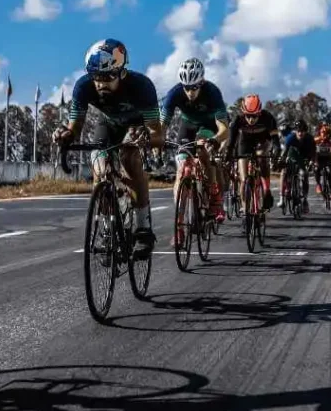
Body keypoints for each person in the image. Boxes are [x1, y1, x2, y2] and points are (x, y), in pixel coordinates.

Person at [53, 39, 163, 257]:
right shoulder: (83, 87)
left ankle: (143, 228)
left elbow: (157, 133)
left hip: (137, 125)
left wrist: (146, 138)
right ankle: (107, 228)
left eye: (107, 77)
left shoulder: (142, 87)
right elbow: (74, 127)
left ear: (122, 72)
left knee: (130, 158)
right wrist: (65, 134)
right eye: (96, 78)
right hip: (109, 123)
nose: (101, 84)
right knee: (99, 166)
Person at [160, 58, 229, 225]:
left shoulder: (212, 92)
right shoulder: (174, 93)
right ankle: (179, 224)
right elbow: (162, 126)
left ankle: (214, 194)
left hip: (209, 125)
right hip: (188, 125)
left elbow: (224, 129)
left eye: (194, 88)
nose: (190, 92)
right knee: (182, 168)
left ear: (202, 81)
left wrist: (214, 140)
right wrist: (159, 143)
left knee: (201, 148)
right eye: (187, 88)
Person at [225, 94, 282, 211]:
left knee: (262, 157)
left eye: (254, 116)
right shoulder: (238, 120)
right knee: (243, 178)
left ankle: (266, 191)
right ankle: (245, 209)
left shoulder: (267, 117)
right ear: (243, 113)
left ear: (259, 113)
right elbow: (231, 143)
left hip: (262, 140)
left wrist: (276, 150)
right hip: (245, 142)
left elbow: (275, 139)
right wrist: (228, 154)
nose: (251, 119)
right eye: (248, 116)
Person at [277, 118, 315, 213]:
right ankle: (282, 198)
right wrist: (280, 161)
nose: (300, 133)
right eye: (298, 131)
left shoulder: (310, 139)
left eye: (302, 131)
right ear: (295, 131)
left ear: (306, 131)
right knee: (284, 172)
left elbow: (314, 153)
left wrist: (312, 162)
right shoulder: (290, 138)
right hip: (292, 156)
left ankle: (305, 200)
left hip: (303, 158)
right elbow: (284, 152)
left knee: (304, 174)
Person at [314, 123, 331, 201]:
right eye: (322, 132)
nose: (324, 134)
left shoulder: (329, 142)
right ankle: (318, 185)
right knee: (316, 169)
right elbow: (312, 143)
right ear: (320, 133)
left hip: (327, 159)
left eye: (326, 133)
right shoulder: (317, 140)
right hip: (319, 159)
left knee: (329, 172)